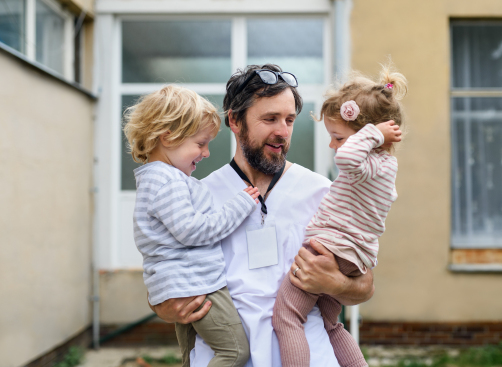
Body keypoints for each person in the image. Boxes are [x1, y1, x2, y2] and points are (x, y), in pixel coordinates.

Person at [150, 64, 376, 367]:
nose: (282, 131)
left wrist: (336, 283)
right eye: (270, 119)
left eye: (289, 120)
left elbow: (365, 286)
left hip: (311, 356)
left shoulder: (323, 193)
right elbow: (163, 270)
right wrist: (164, 308)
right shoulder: (197, 196)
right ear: (235, 121)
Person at [272, 65, 407, 367]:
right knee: (332, 324)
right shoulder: (384, 168)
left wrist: (373, 133)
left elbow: (346, 158)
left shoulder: (365, 164)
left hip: (331, 248)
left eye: (338, 137)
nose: (333, 145)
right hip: (353, 257)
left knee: (287, 316)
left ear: (370, 138)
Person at [123, 85, 261, 367]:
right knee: (234, 352)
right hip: (197, 283)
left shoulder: (157, 179)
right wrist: (239, 206)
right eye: (200, 143)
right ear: (168, 136)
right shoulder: (167, 181)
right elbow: (193, 231)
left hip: (181, 286)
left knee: (192, 357)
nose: (207, 152)